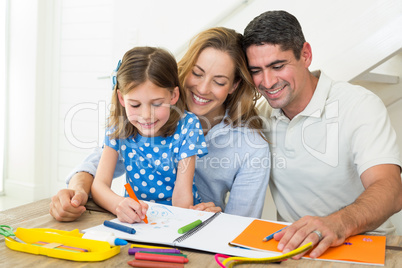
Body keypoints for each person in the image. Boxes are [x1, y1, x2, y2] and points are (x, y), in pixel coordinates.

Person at [50, 27, 270, 221]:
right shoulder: (139, 121)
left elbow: (241, 225)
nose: (203, 89)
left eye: (219, 81)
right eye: (196, 73)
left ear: (234, 85)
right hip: (139, 222)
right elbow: (97, 167)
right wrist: (77, 190)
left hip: (192, 227)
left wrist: (214, 219)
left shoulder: (250, 146)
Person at [242, 10, 402, 259]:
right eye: (256, 70)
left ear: (305, 55)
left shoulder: (358, 105)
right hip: (297, 251)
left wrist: (337, 223)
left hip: (366, 245)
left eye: (277, 66)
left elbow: (391, 190)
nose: (267, 81)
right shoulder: (259, 116)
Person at [90, 46, 208, 223]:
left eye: (157, 104)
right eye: (135, 105)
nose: (146, 116)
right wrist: (119, 204)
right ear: (122, 99)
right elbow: (99, 186)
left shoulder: (188, 125)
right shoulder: (118, 126)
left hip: (180, 217)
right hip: (138, 219)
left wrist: (172, 225)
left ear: (173, 95)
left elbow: (182, 197)